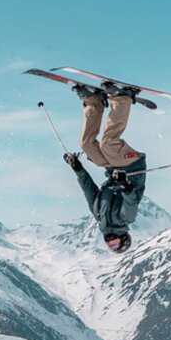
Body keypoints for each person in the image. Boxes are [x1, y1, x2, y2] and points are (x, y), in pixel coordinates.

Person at [63, 83, 147, 253]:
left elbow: (88, 190)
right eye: (115, 244)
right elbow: (131, 199)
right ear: (123, 239)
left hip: (112, 168)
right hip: (131, 168)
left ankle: (94, 102)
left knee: (87, 145)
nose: (110, 242)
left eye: (110, 246)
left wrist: (77, 168)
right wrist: (124, 184)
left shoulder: (99, 216)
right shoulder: (125, 220)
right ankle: (123, 98)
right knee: (108, 144)